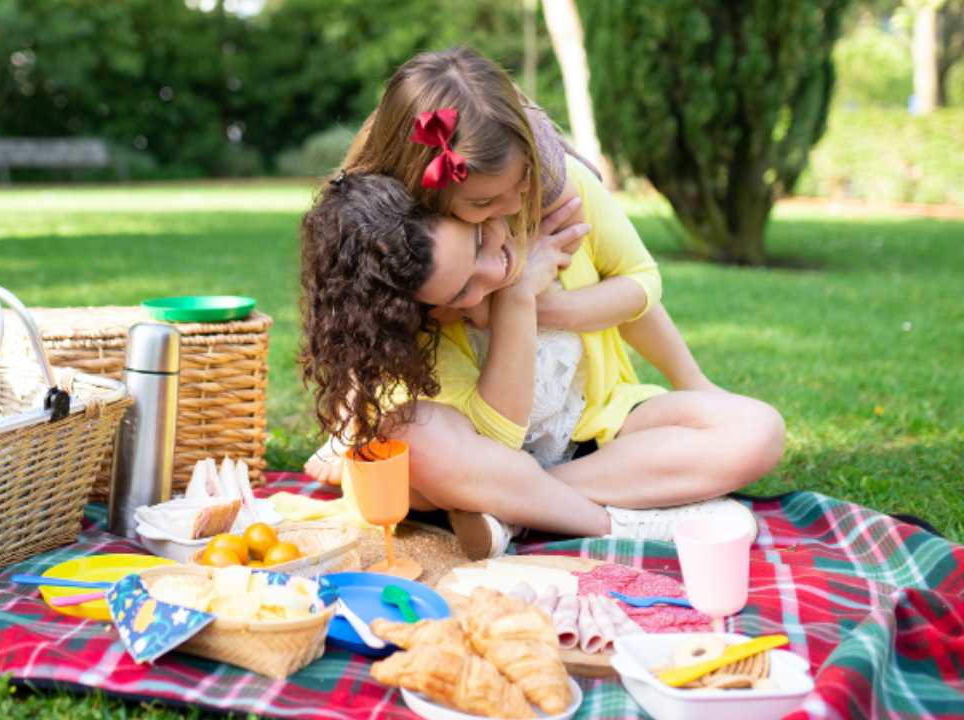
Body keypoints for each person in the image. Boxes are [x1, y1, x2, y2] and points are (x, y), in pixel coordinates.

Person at [298, 47, 784, 559]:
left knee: (756, 429)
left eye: (519, 186)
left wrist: (539, 303)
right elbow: (490, 439)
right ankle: (613, 518)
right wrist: (515, 298)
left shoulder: (558, 193)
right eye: (483, 210)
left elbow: (641, 288)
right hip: (482, 448)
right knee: (413, 448)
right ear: (427, 197)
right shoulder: (413, 261)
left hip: (591, 428)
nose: (510, 209)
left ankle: (513, 509)